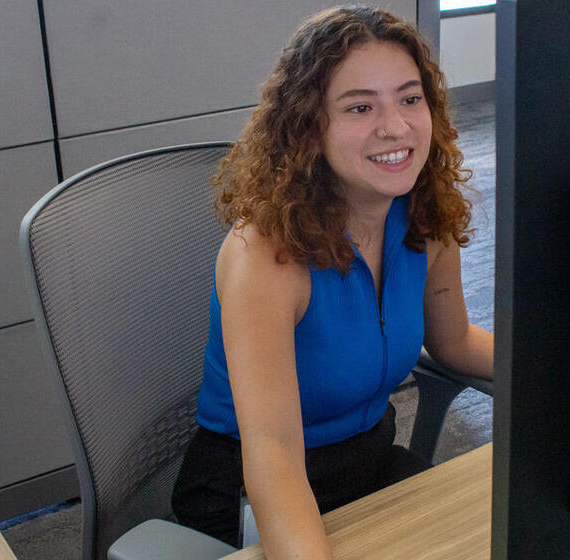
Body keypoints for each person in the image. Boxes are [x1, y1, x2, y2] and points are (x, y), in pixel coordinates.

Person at [171, 5, 494, 558]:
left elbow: (455, 342)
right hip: (249, 491)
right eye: (360, 107)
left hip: (368, 462)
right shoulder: (265, 256)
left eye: (410, 98)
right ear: (308, 128)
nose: (394, 126)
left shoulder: (423, 217)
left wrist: (566, 363)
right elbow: (271, 452)